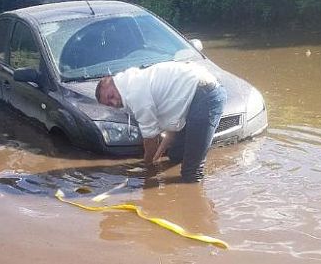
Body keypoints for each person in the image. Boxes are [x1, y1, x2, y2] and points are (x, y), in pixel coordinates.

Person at [95, 61, 227, 183]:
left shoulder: (135, 93)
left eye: (110, 96)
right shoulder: (132, 81)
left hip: (206, 95)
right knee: (175, 155)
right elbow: (172, 126)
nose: (113, 102)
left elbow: (150, 139)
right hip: (192, 98)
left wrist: (147, 168)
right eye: (109, 104)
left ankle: (197, 203)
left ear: (113, 83)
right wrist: (157, 156)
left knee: (191, 172)